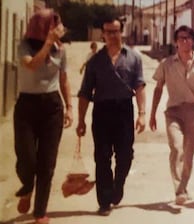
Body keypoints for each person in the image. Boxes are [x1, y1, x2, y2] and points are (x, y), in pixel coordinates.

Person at [76, 17, 146, 216]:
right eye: (108, 32)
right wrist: (81, 120)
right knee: (102, 156)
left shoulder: (134, 57)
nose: (113, 36)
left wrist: (141, 114)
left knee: (125, 155)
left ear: (121, 32)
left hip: (124, 110)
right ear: (103, 34)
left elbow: (139, 86)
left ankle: (118, 185)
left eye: (116, 31)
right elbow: (84, 93)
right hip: (102, 111)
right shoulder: (95, 60)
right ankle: (105, 201)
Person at [149, 25, 194, 205]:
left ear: (193, 41)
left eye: (188, 38)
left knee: (188, 154)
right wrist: (151, 114)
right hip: (173, 112)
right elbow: (158, 89)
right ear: (175, 42)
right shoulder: (166, 64)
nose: (185, 41)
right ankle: (179, 189)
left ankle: (184, 186)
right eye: (181, 38)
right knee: (177, 147)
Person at [14, 9, 72, 224]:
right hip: (27, 106)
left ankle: (40, 212)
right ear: (43, 27)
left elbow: (64, 79)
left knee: (47, 163)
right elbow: (31, 65)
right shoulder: (24, 46)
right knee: (26, 157)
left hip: (52, 106)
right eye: (54, 25)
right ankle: (27, 186)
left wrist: (70, 107)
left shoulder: (60, 50)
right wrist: (48, 43)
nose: (59, 29)